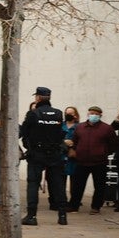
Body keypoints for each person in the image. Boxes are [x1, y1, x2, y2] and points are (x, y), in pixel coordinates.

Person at [20, 86, 68, 226]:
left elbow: (24, 131)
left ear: (38, 98)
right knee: (58, 185)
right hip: (55, 153)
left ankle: (31, 215)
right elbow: (60, 133)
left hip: (37, 154)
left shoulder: (33, 114)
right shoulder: (58, 113)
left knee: (33, 184)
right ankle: (62, 216)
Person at [67, 106, 116, 214]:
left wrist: (104, 153)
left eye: (95, 114)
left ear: (100, 115)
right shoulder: (80, 127)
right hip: (81, 161)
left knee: (99, 186)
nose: (93, 115)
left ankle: (96, 206)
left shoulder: (106, 128)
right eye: (91, 113)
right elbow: (74, 141)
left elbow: (113, 144)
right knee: (77, 185)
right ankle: (73, 205)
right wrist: (74, 150)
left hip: (99, 162)